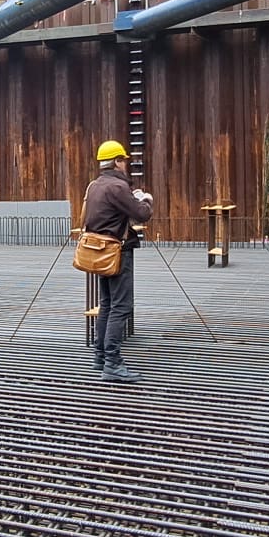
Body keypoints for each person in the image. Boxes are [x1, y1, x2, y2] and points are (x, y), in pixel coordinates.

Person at [83, 140, 153, 384]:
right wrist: (145, 199)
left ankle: (100, 356)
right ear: (117, 161)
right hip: (118, 252)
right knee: (121, 306)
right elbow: (142, 214)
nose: (127, 164)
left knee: (107, 304)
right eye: (124, 160)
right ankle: (112, 363)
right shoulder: (117, 186)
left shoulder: (95, 185)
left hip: (100, 252)